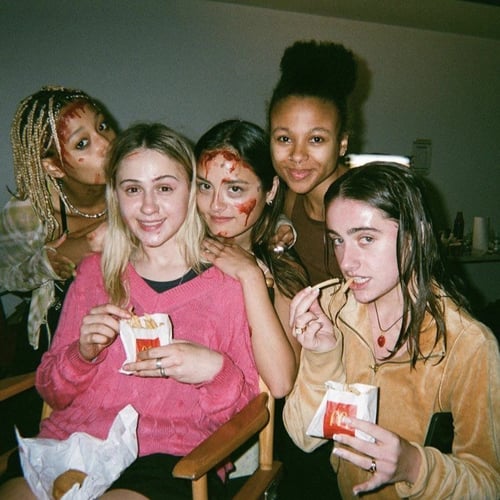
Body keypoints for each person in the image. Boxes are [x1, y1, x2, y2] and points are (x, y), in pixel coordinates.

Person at [0, 123, 260, 500]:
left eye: (165, 188)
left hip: (170, 457)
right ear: (116, 196)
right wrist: (82, 354)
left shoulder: (227, 285)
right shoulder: (94, 272)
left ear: (192, 192)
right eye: (133, 189)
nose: (148, 207)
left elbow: (246, 416)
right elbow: (52, 393)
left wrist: (215, 372)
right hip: (75, 445)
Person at [284, 163, 500, 499]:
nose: (346, 262)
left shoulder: (468, 344)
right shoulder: (332, 308)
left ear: (415, 238)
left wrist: (415, 466)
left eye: (366, 239)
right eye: (338, 240)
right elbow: (303, 437)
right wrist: (322, 356)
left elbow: (489, 484)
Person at [0, 86, 117, 363]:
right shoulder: (29, 212)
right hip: (65, 331)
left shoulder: (138, 180)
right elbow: (4, 277)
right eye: (82, 143)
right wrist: (47, 264)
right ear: (54, 166)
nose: (106, 143)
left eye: (102, 126)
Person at [195, 119, 309, 390]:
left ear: (271, 190)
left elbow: (281, 383)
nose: (215, 205)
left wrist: (250, 274)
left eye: (234, 189)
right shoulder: (173, 252)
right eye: (205, 186)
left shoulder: (281, 269)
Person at [268, 39, 358, 285]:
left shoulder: (368, 204)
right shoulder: (291, 199)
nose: (297, 155)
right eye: (285, 138)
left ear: (342, 143)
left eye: (316, 139)